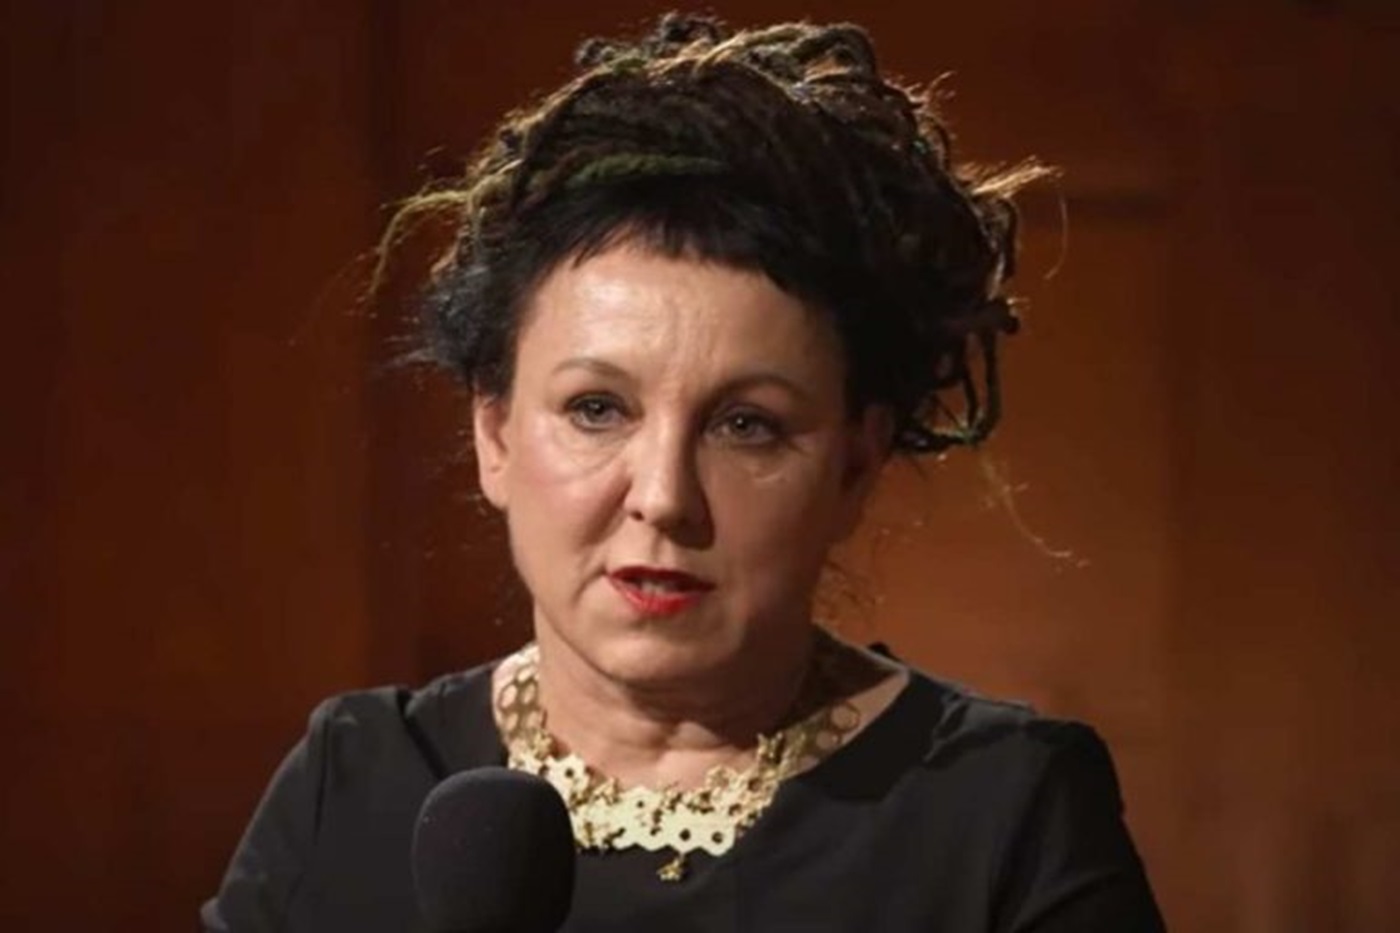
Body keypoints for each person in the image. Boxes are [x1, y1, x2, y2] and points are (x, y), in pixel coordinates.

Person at [203, 13, 1165, 932]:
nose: (663, 495)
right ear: (494, 434)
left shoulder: (1005, 810)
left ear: (855, 463)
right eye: (597, 409)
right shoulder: (354, 780)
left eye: (746, 425)